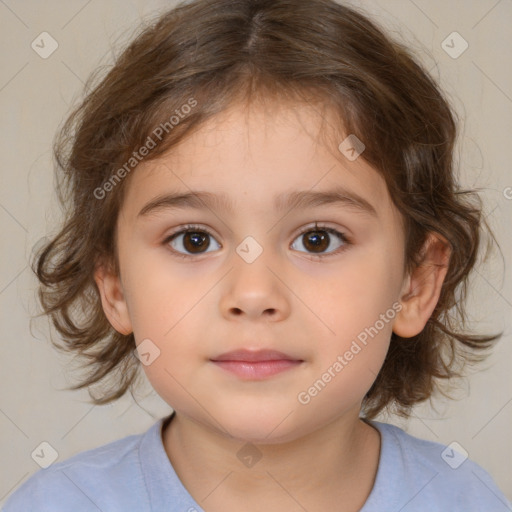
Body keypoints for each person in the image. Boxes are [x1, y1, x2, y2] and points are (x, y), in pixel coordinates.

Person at [3, 0, 511, 510]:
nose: (252, 295)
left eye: (318, 239)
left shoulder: (465, 498)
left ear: (415, 283)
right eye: (193, 240)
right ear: (114, 286)